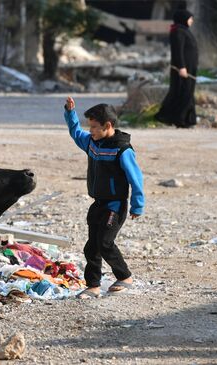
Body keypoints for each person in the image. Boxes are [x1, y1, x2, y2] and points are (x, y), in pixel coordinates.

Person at [63, 97, 145, 298]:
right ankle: (93, 285)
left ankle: (124, 276)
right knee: (91, 246)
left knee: (105, 242)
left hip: (115, 205)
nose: (90, 130)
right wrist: (70, 113)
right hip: (98, 203)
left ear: (108, 125)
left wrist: (137, 206)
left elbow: (136, 179)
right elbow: (75, 133)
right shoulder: (92, 143)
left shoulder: (122, 149)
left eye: (94, 127)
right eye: (89, 126)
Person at [155, 8, 198, 128]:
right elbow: (178, 51)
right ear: (183, 19)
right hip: (182, 69)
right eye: (190, 18)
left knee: (187, 92)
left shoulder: (183, 30)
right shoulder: (177, 31)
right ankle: (179, 119)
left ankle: (185, 119)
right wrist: (182, 67)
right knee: (183, 92)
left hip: (188, 67)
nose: (192, 21)